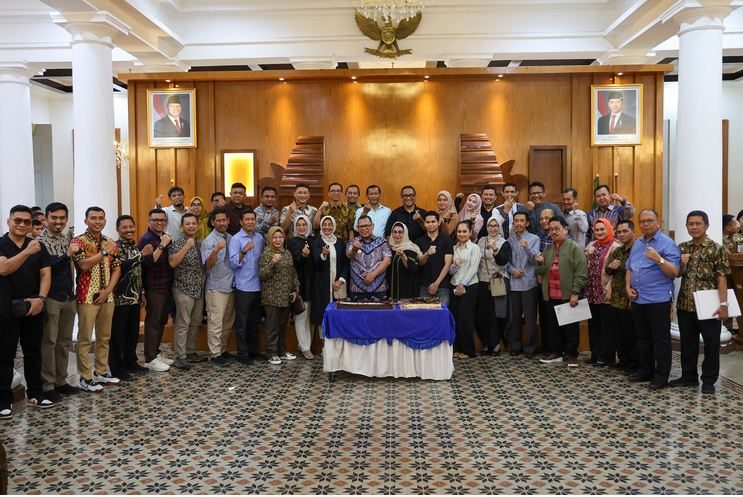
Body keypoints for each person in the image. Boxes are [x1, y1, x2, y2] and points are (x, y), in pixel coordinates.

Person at [0, 205, 54, 419]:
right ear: (9, 222)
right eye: (18, 220)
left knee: (33, 352)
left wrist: (41, 298)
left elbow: (46, 274)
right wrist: (27, 251)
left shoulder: (39, 246)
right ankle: (3, 399)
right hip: (5, 308)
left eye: (27, 221)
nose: (22, 225)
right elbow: (4, 268)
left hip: (33, 306)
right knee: (5, 355)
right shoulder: (2, 244)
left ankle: (35, 393)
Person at [672, 210, 730, 394]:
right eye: (691, 224)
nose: (694, 227)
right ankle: (688, 377)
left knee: (711, 344)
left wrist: (724, 305)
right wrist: (682, 264)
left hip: (708, 306)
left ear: (706, 225)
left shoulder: (716, 248)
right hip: (685, 304)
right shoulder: (682, 247)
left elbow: (722, 278)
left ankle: (709, 380)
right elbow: (677, 274)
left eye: (698, 223)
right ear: (686, 226)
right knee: (687, 344)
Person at [626, 209, 680, 390]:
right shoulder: (638, 243)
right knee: (643, 338)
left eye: (649, 220)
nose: (646, 224)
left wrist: (659, 260)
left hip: (658, 299)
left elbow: (674, 273)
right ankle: (645, 371)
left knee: (660, 339)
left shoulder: (667, 243)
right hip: (638, 298)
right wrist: (627, 288)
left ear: (658, 222)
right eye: (642, 221)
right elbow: (630, 268)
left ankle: (661, 376)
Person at [71, 206, 122, 390]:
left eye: (101, 218)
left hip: (108, 296)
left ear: (105, 221)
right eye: (93, 218)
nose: (98, 221)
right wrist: (103, 253)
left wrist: (108, 291)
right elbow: (83, 265)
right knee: (85, 338)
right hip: (86, 296)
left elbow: (117, 268)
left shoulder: (109, 241)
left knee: (104, 337)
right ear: (86, 221)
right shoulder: (79, 241)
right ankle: (85, 377)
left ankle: (101, 372)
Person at [38, 202, 80, 400]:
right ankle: (47, 385)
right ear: (46, 219)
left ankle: (61, 381)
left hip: (68, 297)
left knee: (64, 342)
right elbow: (49, 268)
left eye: (62, 218)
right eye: (54, 217)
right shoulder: (39, 242)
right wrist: (68, 254)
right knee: (49, 342)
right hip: (51, 298)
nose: (58, 221)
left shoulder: (65, 239)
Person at [536, 217, 587, 367]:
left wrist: (575, 292)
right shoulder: (548, 249)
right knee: (554, 326)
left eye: (557, 228)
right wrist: (539, 263)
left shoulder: (574, 248)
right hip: (551, 294)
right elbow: (542, 272)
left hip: (568, 294)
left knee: (571, 327)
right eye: (551, 229)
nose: (553, 232)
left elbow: (581, 272)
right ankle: (556, 352)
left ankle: (571, 355)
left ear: (565, 229)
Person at [110, 215, 151, 380]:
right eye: (124, 227)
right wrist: (142, 254)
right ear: (118, 230)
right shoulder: (115, 247)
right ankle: (116, 367)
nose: (129, 230)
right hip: (120, 298)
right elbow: (122, 267)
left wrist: (142, 293)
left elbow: (138, 271)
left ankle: (130, 361)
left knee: (132, 332)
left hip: (135, 297)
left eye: (131, 227)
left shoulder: (134, 245)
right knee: (118, 334)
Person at [138, 208, 174, 372]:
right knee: (153, 322)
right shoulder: (147, 239)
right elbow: (148, 263)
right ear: (149, 221)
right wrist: (162, 245)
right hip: (153, 286)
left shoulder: (163, 237)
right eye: (156, 220)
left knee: (161, 321)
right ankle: (150, 358)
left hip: (166, 285)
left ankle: (156, 353)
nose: (160, 223)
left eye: (162, 220)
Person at [168, 213, 206, 370]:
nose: (191, 226)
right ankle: (180, 356)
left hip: (198, 289)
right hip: (183, 288)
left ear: (197, 225)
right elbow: (172, 263)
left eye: (193, 223)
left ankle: (190, 352)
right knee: (183, 323)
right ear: (182, 226)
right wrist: (186, 247)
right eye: (188, 223)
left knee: (196, 322)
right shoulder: (177, 243)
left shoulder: (200, 243)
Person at [259, 226, 300, 365]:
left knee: (283, 326)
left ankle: (281, 352)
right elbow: (262, 274)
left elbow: (293, 273)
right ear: (270, 239)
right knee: (272, 327)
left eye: (280, 237)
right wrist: (272, 262)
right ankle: (271, 353)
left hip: (285, 296)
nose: (278, 240)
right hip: (271, 297)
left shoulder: (287, 253)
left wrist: (295, 290)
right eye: (275, 237)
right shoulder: (266, 253)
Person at [583, 218, 621, 366]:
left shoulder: (615, 247)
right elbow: (583, 264)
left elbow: (616, 272)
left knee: (607, 327)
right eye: (596, 230)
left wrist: (610, 288)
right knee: (594, 325)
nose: (599, 232)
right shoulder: (591, 245)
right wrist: (586, 254)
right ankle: (595, 354)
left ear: (609, 229)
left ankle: (606, 357)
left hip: (606, 292)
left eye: (602, 229)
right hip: (591, 292)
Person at [228, 208, 264, 364]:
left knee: (254, 322)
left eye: (252, 219)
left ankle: (253, 351)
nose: (250, 222)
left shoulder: (260, 238)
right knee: (242, 324)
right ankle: (243, 354)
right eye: (247, 219)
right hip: (243, 287)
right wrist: (244, 250)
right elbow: (233, 263)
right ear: (241, 222)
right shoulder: (236, 239)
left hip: (258, 285)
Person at [200, 208, 235, 366]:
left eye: (224, 220)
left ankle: (223, 349)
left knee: (228, 321)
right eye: (218, 220)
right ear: (213, 222)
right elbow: (208, 264)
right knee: (216, 322)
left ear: (228, 221)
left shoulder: (231, 238)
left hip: (231, 286)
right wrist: (216, 250)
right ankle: (214, 354)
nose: (222, 223)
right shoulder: (208, 241)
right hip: (216, 287)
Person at [604, 220, 638, 373]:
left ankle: (634, 364)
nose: (621, 234)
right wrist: (610, 267)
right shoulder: (617, 250)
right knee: (619, 333)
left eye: (625, 231)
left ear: (633, 231)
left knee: (632, 334)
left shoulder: (638, 249)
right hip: (616, 298)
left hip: (632, 298)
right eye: (619, 232)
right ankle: (623, 360)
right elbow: (608, 270)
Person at [506, 211, 540, 358]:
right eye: (516, 221)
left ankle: (531, 348)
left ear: (527, 223)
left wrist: (526, 247)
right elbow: (505, 261)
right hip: (514, 283)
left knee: (530, 318)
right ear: (513, 223)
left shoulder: (534, 238)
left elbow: (535, 260)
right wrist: (512, 271)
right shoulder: (509, 240)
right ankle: (516, 346)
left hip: (529, 284)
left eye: (521, 221)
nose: (519, 223)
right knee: (514, 317)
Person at [476, 218, 512, 356]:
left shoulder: (504, 242)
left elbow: (503, 262)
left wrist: (495, 249)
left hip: (498, 282)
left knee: (497, 315)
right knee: (482, 316)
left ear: (499, 227)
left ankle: (495, 345)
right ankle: (486, 343)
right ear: (487, 227)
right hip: (482, 281)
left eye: (496, 226)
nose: (493, 228)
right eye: (490, 226)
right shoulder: (481, 241)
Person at [450, 221, 482, 359]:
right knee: (455, 318)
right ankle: (457, 349)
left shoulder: (475, 248)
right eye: (459, 231)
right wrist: (454, 266)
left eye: (464, 231)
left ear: (470, 232)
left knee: (465, 318)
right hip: (454, 285)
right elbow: (450, 271)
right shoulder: (453, 248)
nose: (461, 234)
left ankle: (469, 350)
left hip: (469, 286)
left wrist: (462, 284)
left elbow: (473, 269)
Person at [311, 216, 349, 331]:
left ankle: (337, 339)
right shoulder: (317, 242)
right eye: (324, 224)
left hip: (338, 284)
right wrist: (323, 255)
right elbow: (316, 263)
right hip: (322, 284)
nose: (327, 227)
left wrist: (341, 280)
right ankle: (324, 341)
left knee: (338, 314)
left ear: (334, 226)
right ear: (321, 226)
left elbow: (346, 263)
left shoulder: (341, 242)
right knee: (322, 313)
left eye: (330, 224)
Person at [287, 215, 316, 359]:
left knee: (311, 317)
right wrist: (303, 255)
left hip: (313, 282)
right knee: (301, 316)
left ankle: (304, 344)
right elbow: (295, 262)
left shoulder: (313, 240)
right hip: (300, 282)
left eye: (304, 224)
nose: (301, 227)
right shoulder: (292, 242)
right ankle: (305, 348)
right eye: (298, 225)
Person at [347, 215, 392, 299]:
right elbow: (349, 255)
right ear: (357, 228)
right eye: (361, 226)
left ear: (373, 226)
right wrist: (354, 248)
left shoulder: (382, 242)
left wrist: (373, 275)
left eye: (366, 225)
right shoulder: (352, 242)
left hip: (379, 288)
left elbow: (387, 260)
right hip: (357, 290)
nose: (364, 228)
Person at [416, 211, 454, 307]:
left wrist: (436, 284)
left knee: (442, 313)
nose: (430, 224)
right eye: (428, 222)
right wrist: (427, 253)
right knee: (424, 314)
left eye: (433, 221)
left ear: (438, 222)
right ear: (424, 224)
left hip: (442, 286)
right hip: (424, 285)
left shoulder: (447, 240)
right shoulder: (419, 241)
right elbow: (420, 262)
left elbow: (448, 264)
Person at [387, 221, 422, 300]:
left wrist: (403, 255)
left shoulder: (410, 248)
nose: (397, 235)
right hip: (391, 289)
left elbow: (412, 268)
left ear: (405, 233)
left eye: (400, 232)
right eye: (394, 232)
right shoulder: (388, 247)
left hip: (406, 289)